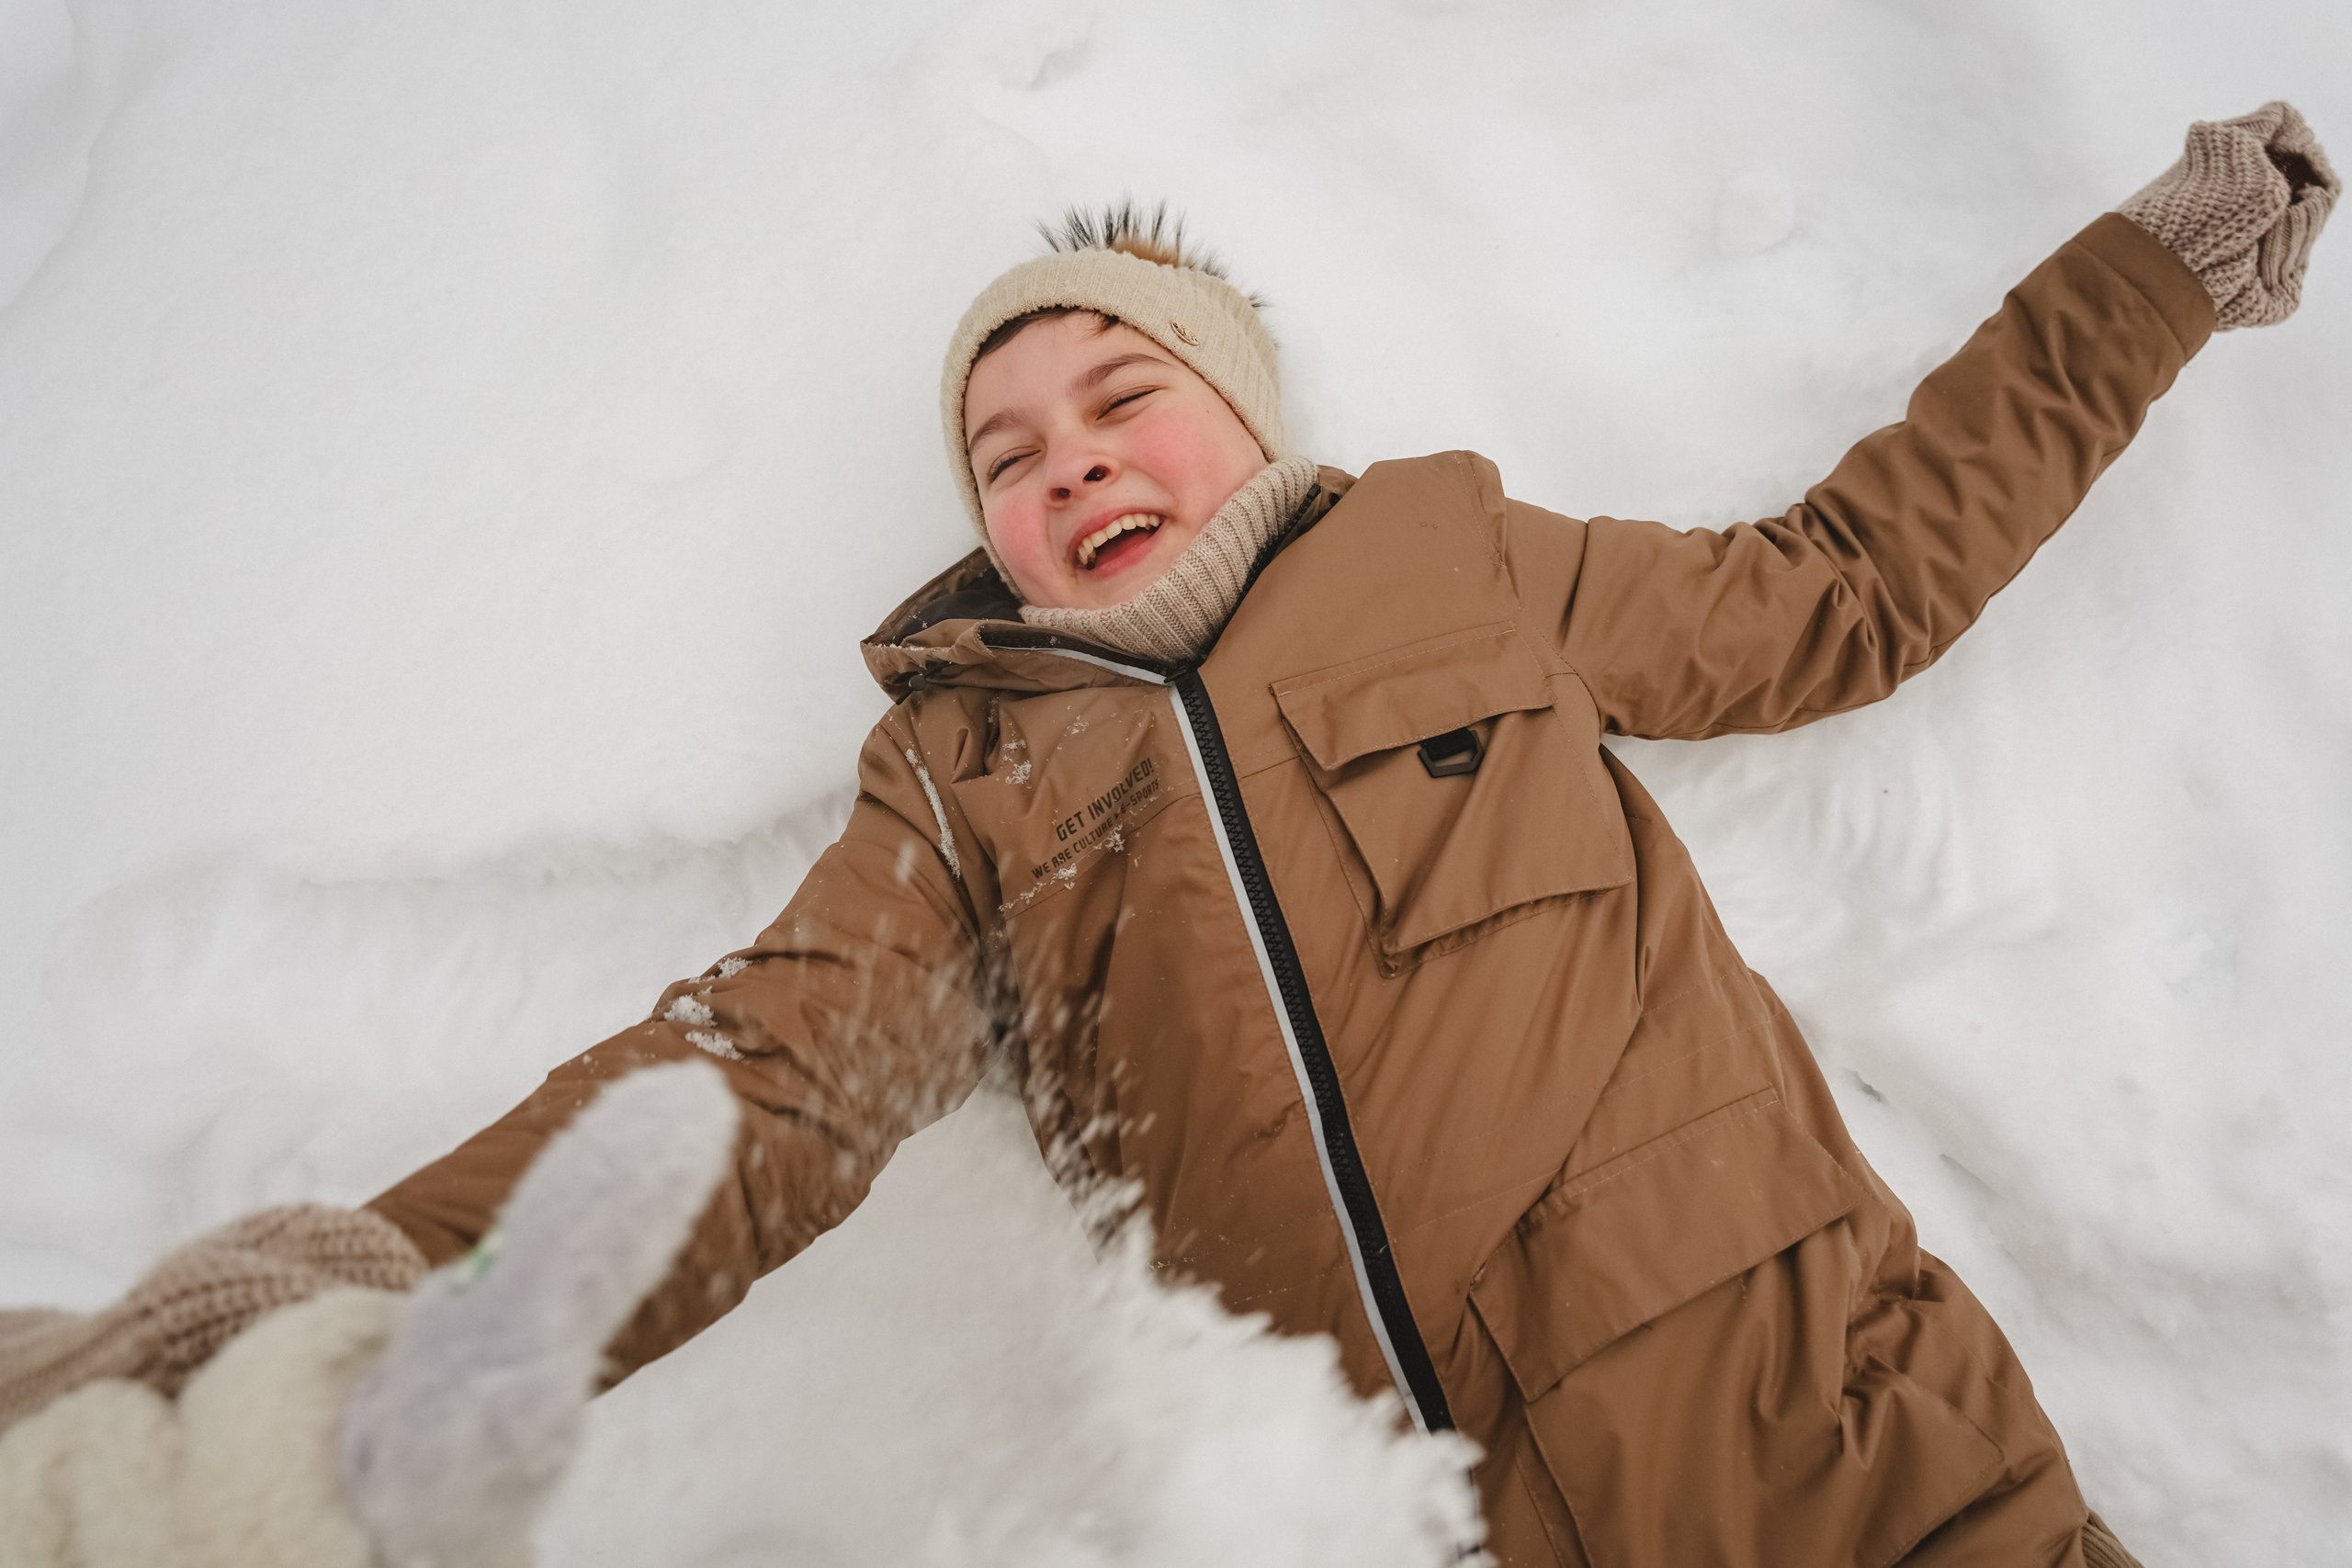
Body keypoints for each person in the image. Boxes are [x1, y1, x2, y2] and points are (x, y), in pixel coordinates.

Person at [0, 101, 2335, 1568]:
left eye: (1121, 392)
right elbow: (771, 1082)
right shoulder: (966, 779)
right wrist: (362, 1289)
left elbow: (1838, 590)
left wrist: (2143, 280)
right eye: (1006, 453)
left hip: (1832, 1440)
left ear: (1244, 415)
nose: (1071, 460)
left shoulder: (1447, 559)